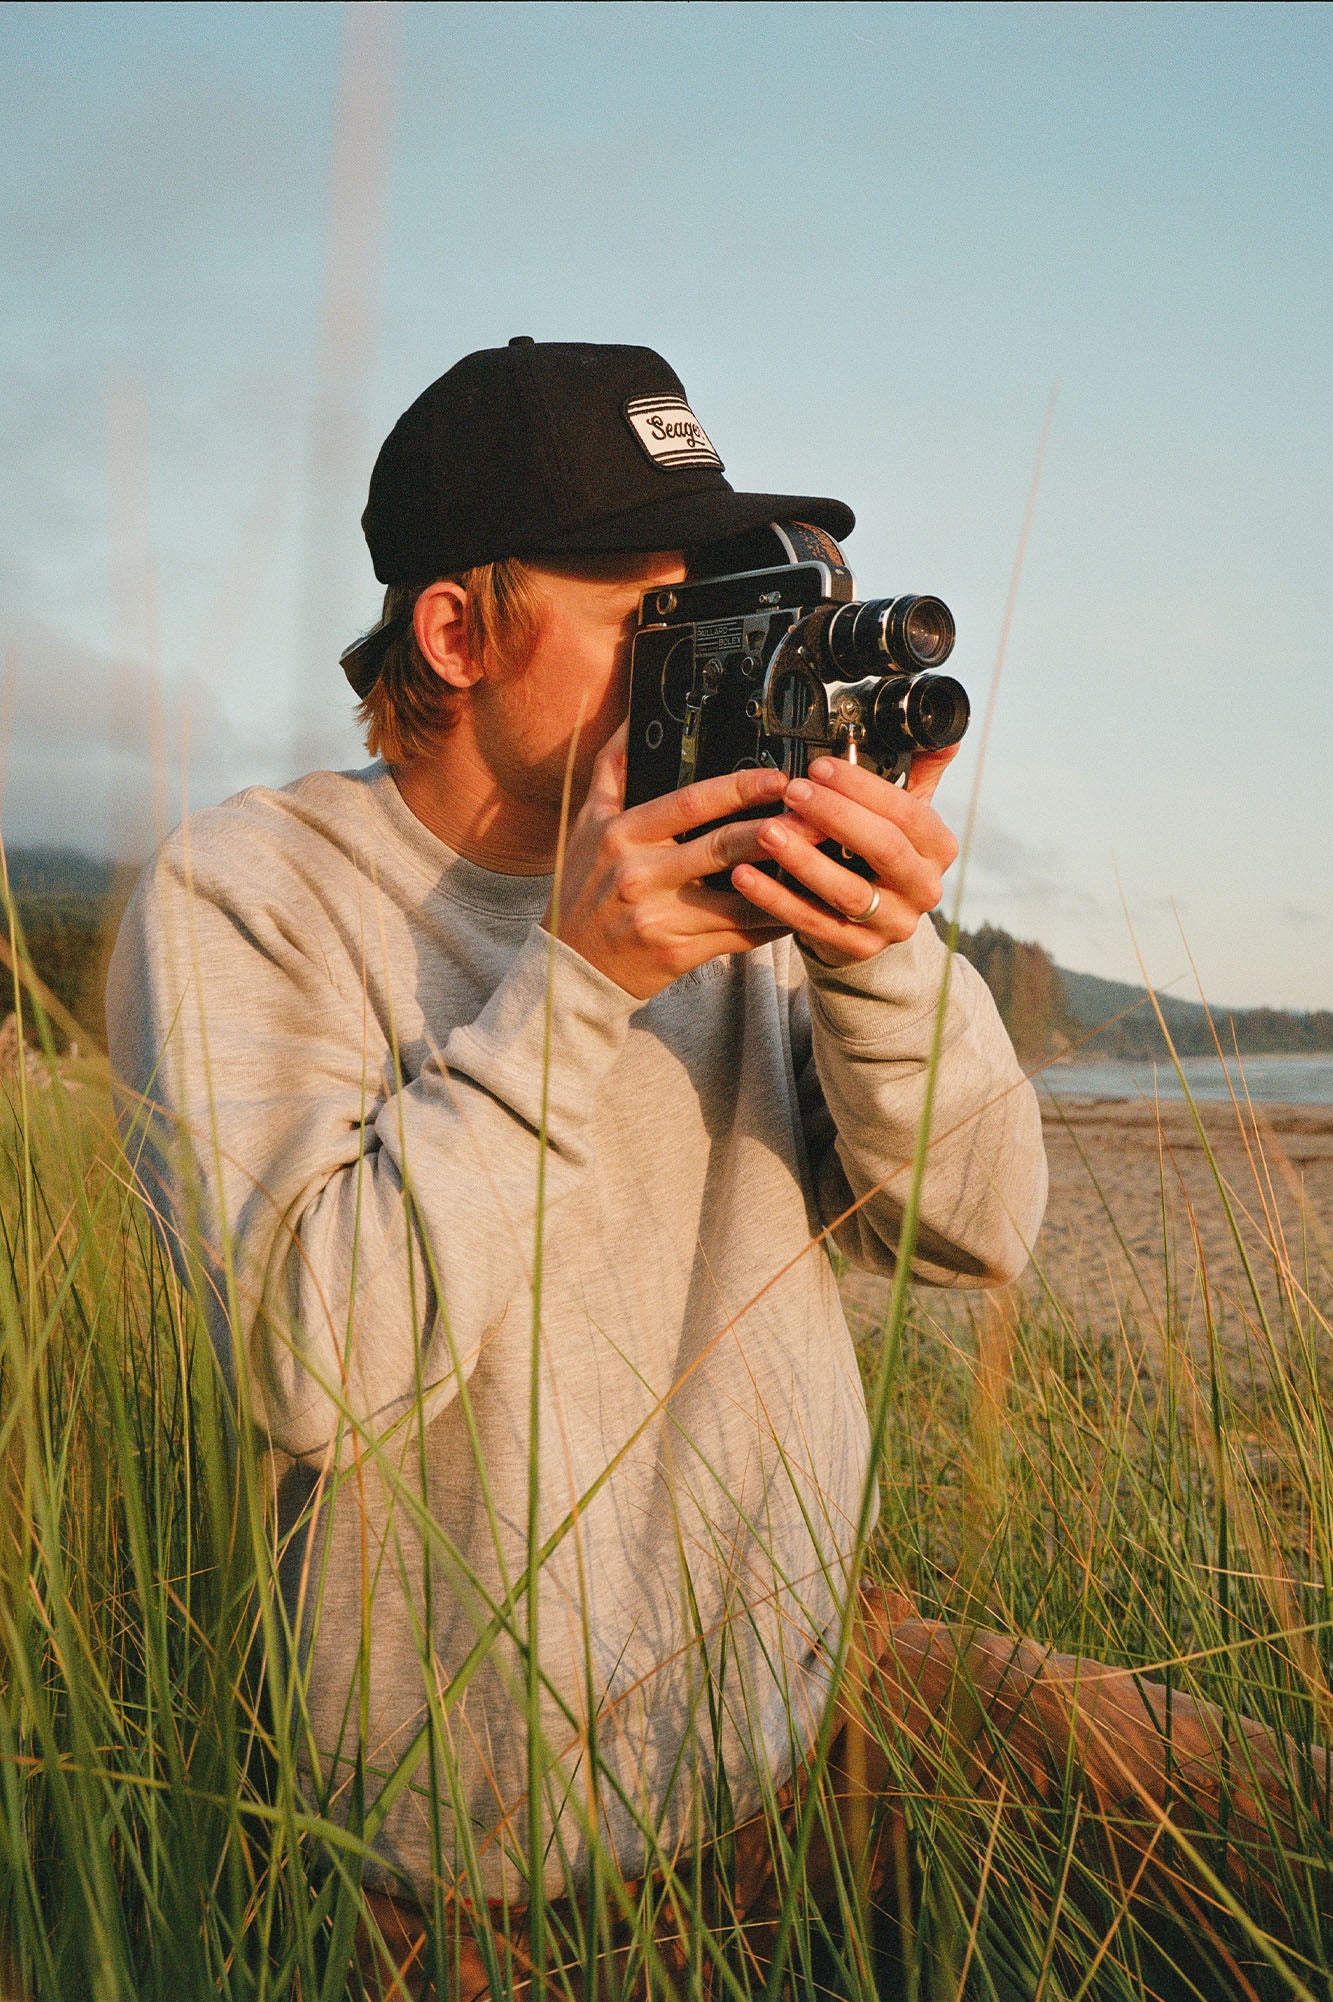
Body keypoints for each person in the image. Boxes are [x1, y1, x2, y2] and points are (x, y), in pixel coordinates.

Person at [106, 342, 1304, 1998]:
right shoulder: (251, 891)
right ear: (455, 633)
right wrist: (581, 979)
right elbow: (308, 1364)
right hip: (480, 1857)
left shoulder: (735, 873)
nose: (726, 660)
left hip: (820, 1699)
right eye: (655, 620)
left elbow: (979, 1232)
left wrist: (877, 944)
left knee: (1276, 1816)